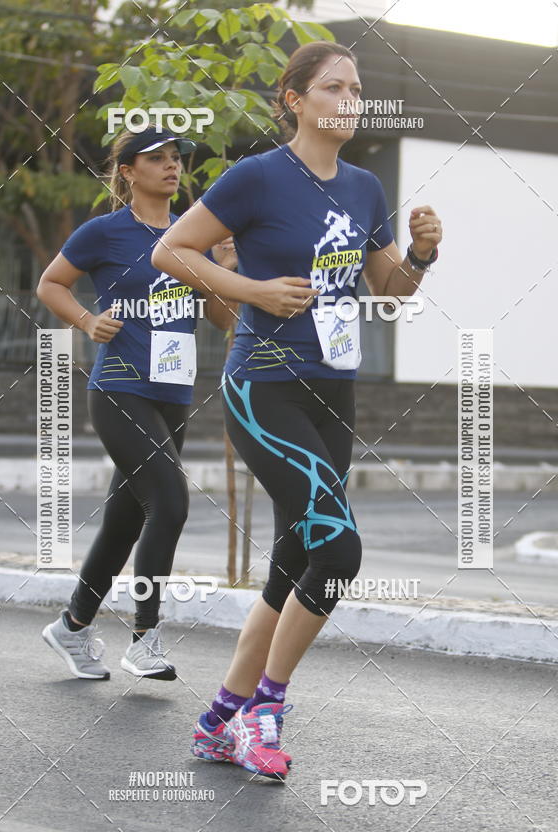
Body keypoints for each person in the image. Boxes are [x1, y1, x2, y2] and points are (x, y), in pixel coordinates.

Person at [151, 41, 443, 778]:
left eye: (358, 90)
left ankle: (218, 721)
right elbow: (172, 252)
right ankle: (265, 711)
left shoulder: (365, 187)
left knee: (293, 563)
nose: (351, 101)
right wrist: (252, 290)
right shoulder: (258, 177)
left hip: (332, 390)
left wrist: (420, 254)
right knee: (338, 552)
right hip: (265, 388)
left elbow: (388, 292)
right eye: (334, 88)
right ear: (295, 100)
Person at [37, 127, 238, 681]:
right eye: (158, 158)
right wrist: (87, 321)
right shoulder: (105, 232)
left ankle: (72, 626)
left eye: (176, 158)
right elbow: (51, 283)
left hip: (173, 394)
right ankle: (145, 637)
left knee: (124, 523)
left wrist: (225, 269)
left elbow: (222, 319)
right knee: (170, 503)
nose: (172, 166)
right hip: (119, 389)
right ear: (127, 171)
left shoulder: (192, 236)